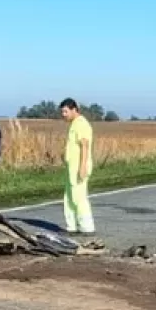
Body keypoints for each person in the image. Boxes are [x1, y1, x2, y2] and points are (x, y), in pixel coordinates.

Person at [60, 98, 96, 235]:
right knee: (69, 197)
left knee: (79, 197)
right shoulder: (74, 124)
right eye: (62, 112)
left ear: (74, 109)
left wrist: (82, 166)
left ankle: (87, 227)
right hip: (71, 167)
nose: (64, 114)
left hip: (78, 167)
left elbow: (85, 145)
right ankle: (72, 226)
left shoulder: (81, 124)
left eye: (66, 111)